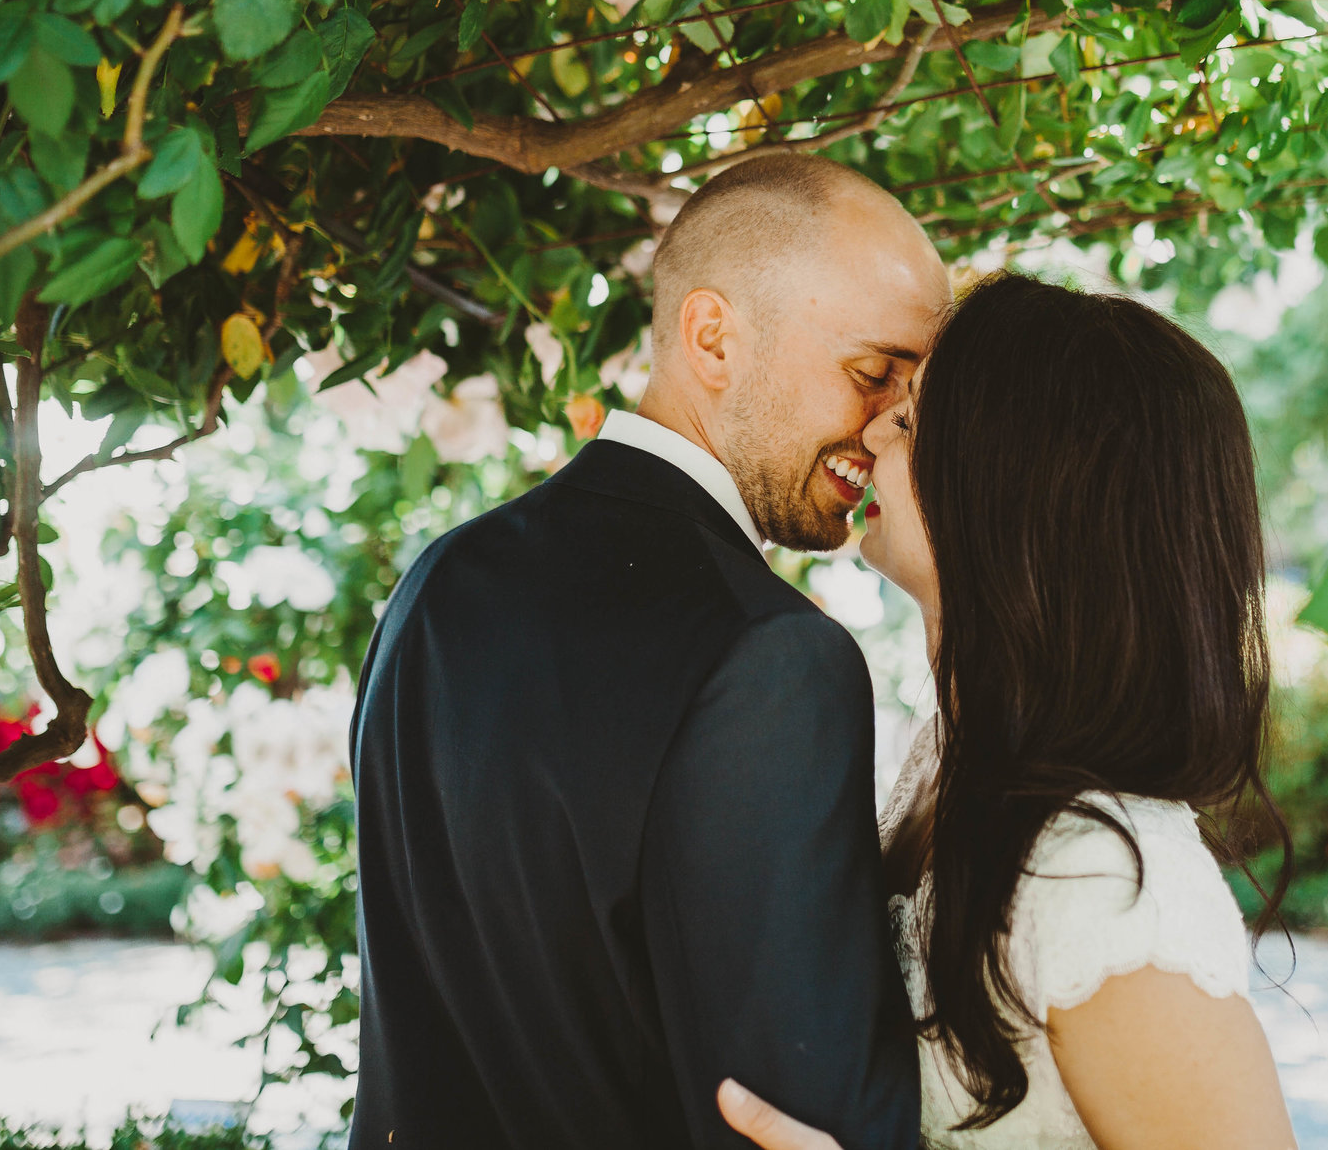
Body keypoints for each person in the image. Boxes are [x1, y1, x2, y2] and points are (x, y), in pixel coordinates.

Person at [350, 152, 947, 1148]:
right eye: (872, 371)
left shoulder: (437, 584)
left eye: (913, 389)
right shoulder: (772, 656)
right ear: (713, 336)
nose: (894, 423)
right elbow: (803, 1110)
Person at [717, 274, 1299, 1150]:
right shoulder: (946, 767)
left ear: (1016, 492)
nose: (871, 428)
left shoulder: (1105, 889)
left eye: (909, 420)